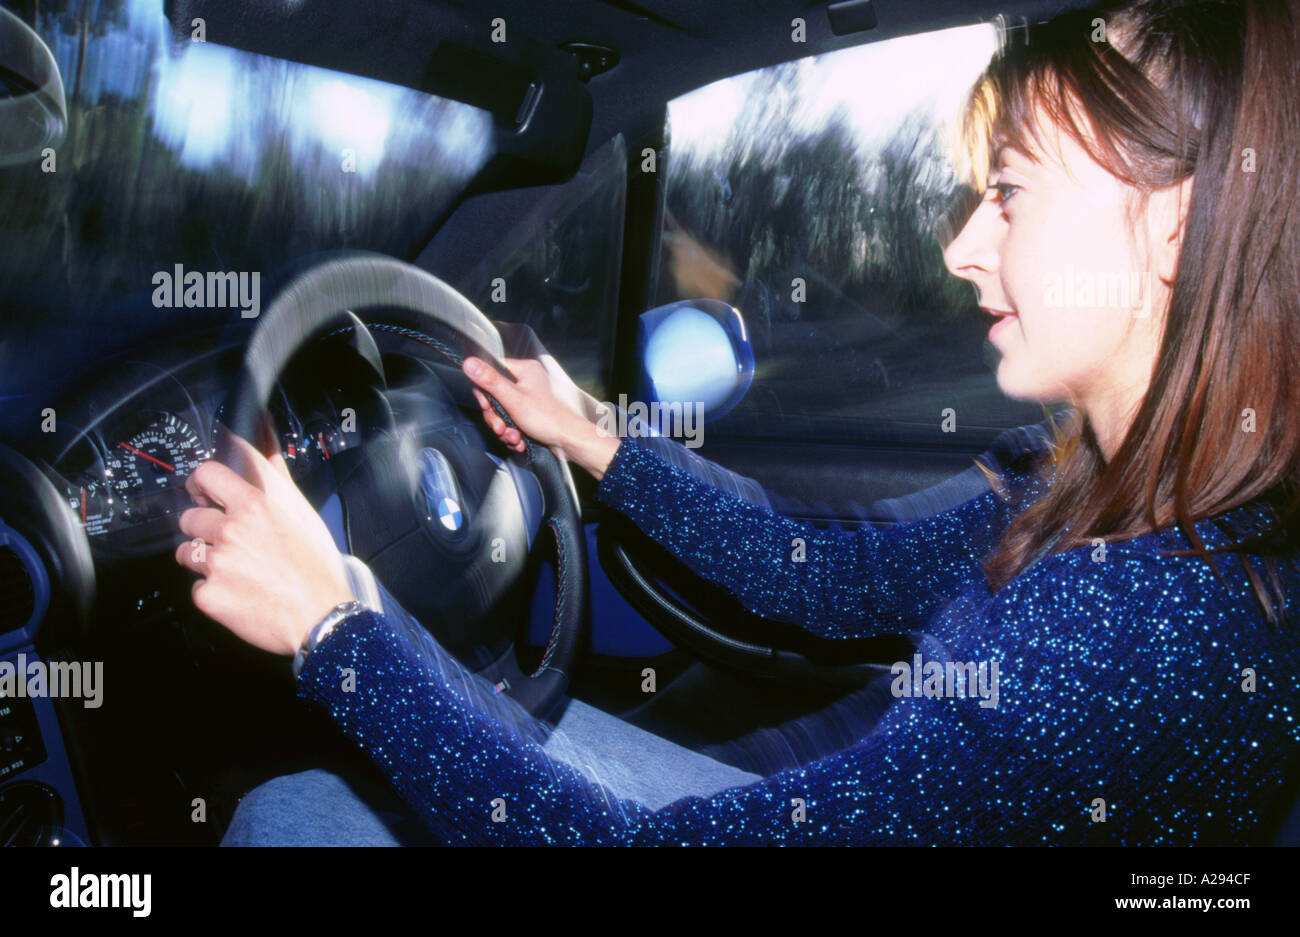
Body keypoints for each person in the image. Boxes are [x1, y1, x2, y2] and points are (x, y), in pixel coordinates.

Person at [185, 0, 1300, 845]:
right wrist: (595, 439)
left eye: (1008, 191)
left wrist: (333, 627)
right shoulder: (1088, 485)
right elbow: (826, 577)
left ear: (1175, 222)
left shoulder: (1127, 634)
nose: (963, 247)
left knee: (299, 812)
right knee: (492, 722)